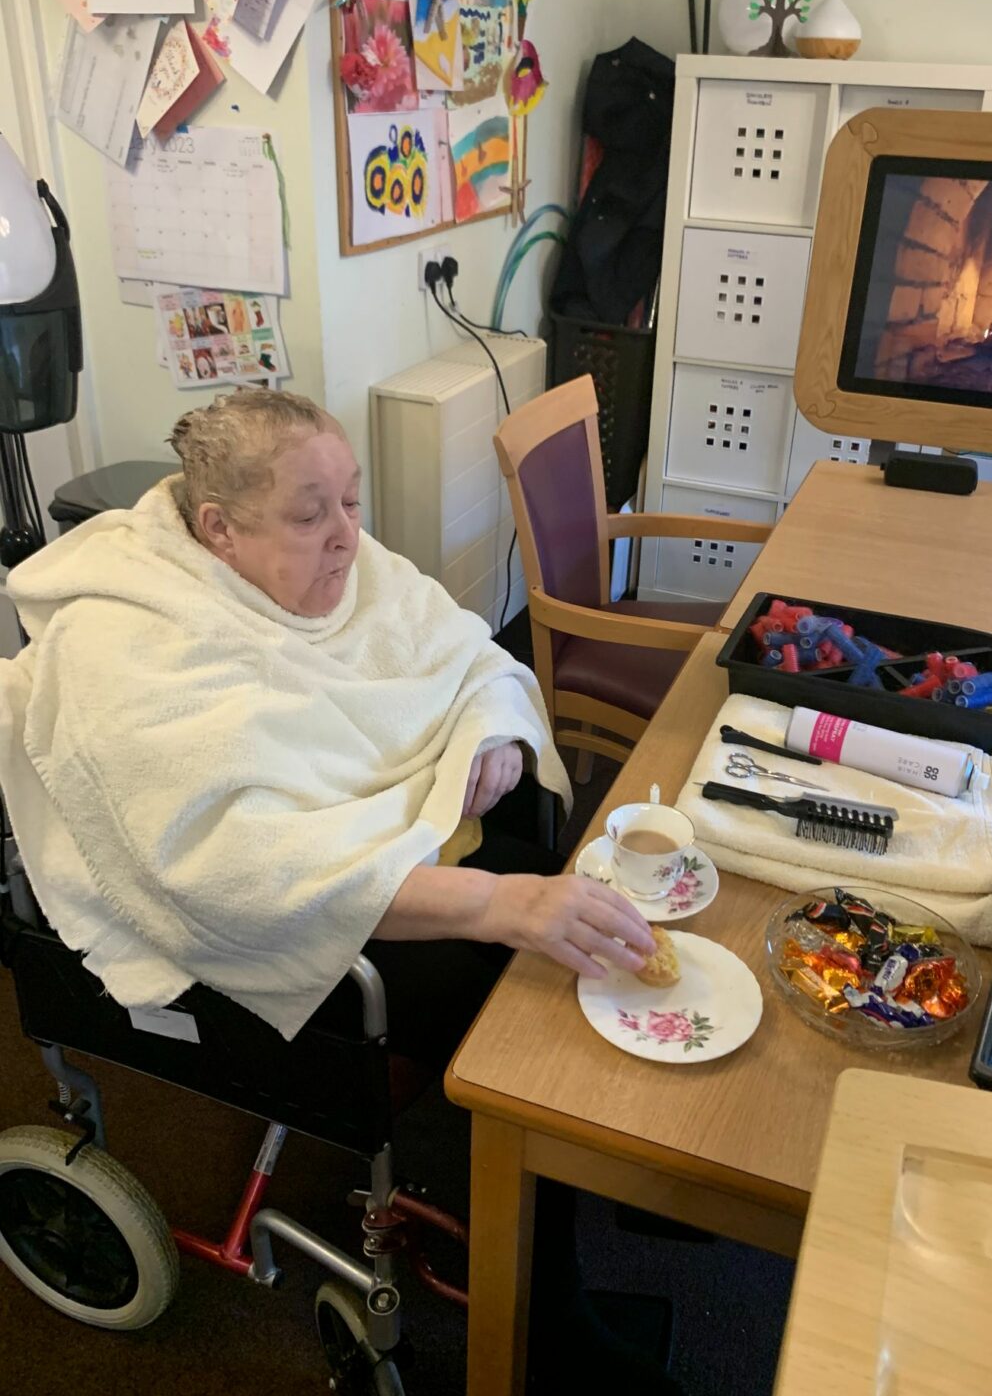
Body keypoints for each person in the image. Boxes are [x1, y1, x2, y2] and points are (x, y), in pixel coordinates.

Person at [0, 388, 654, 1056]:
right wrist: (498, 904)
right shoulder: (127, 641)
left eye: (351, 499)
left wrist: (494, 726)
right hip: (323, 933)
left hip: (429, 845)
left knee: (600, 923)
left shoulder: (346, 557)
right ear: (220, 529)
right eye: (310, 515)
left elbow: (469, 653)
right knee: (543, 1034)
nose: (347, 535)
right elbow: (232, 870)